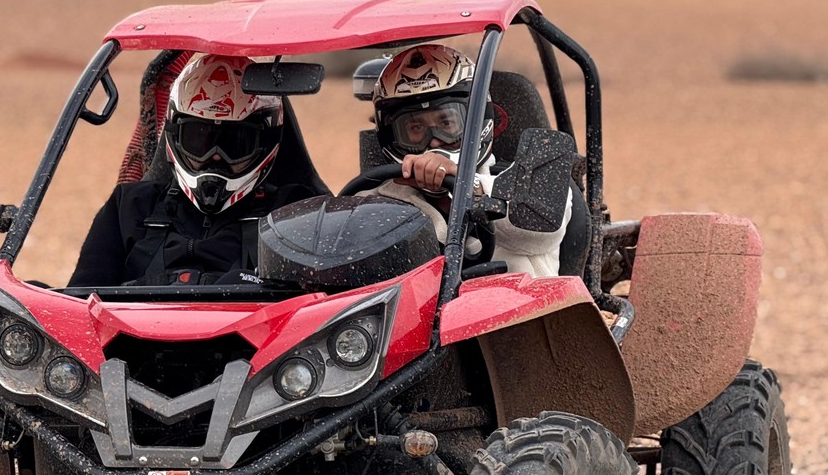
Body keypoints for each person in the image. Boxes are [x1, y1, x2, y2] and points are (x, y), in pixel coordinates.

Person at [69, 53, 325, 286]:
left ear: (268, 142)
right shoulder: (130, 207)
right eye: (199, 139)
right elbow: (80, 303)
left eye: (233, 144)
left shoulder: (297, 214)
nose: (214, 159)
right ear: (174, 134)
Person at [369, 43, 572, 278]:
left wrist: (465, 186)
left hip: (528, 311)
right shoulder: (376, 203)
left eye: (447, 124)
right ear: (391, 136)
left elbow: (541, 233)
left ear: (478, 121)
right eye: (415, 128)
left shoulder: (531, 185)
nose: (434, 142)